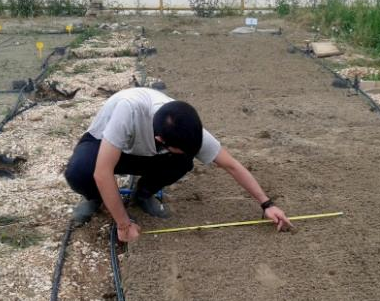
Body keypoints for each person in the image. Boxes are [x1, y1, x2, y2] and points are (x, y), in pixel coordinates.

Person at [64, 87, 292, 242]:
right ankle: (94, 198)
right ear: (161, 141)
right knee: (79, 172)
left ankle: (143, 194)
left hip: (146, 151)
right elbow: (103, 172)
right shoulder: (129, 110)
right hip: (105, 144)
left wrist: (267, 204)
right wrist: (124, 226)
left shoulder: (186, 127)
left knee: (182, 161)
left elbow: (231, 165)